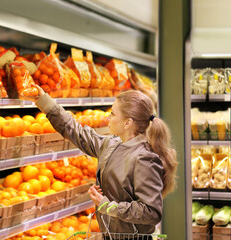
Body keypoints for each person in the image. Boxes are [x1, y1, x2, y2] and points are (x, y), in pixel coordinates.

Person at [22, 86, 178, 236]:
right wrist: (43, 100)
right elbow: (76, 131)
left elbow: (152, 212)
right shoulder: (111, 144)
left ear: (127, 123)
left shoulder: (145, 158)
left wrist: (109, 206)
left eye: (113, 114)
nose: (108, 118)